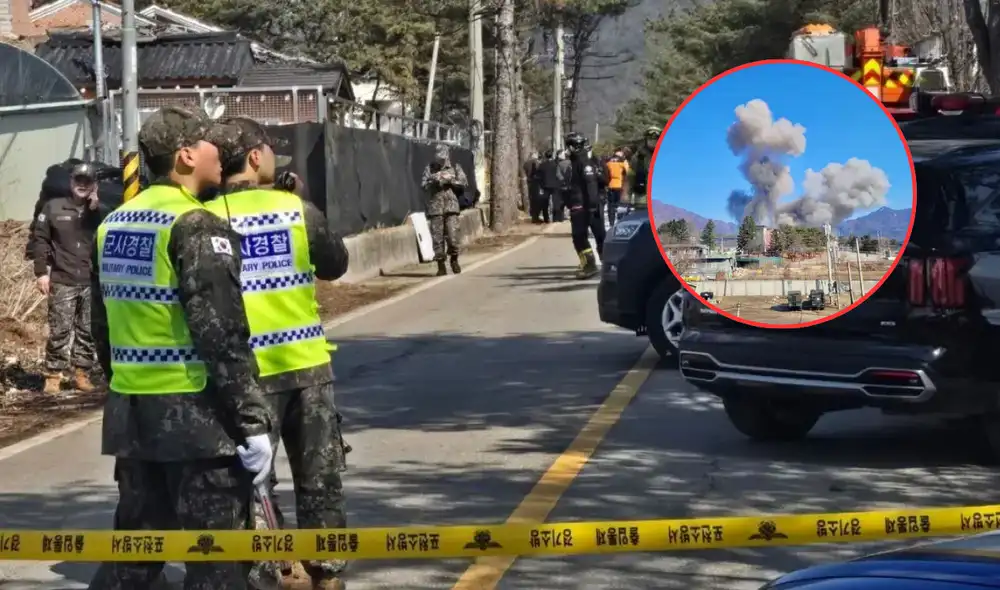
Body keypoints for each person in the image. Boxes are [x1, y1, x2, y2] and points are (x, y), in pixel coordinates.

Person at [87, 106, 274, 590]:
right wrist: (252, 422)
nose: (223, 153)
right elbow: (222, 336)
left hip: (132, 418)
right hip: (198, 423)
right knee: (215, 566)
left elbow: (102, 328)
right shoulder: (196, 226)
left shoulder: (113, 226)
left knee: (137, 559)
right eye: (212, 143)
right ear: (187, 156)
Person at [205, 116, 352, 590]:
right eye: (270, 150)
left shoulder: (202, 218)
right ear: (254, 157)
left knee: (251, 480)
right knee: (320, 475)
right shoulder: (295, 210)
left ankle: (270, 568)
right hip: (305, 365)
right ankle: (326, 571)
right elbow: (335, 264)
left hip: (243, 375)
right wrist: (301, 200)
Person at [31, 161, 111, 394]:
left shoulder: (99, 211)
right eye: (79, 180)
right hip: (63, 278)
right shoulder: (53, 207)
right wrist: (41, 273)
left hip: (90, 279)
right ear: (71, 182)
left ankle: (81, 373)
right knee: (60, 330)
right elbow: (41, 240)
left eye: (87, 182)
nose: (82, 186)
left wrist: (97, 209)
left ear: (94, 185)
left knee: (86, 330)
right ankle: (53, 375)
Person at [563, 132, 607, 279]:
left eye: (568, 146)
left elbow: (590, 185)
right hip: (578, 205)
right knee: (579, 237)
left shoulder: (584, 163)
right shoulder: (576, 162)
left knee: (584, 237)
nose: (566, 149)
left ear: (574, 146)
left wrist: (592, 206)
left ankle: (593, 265)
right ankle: (590, 263)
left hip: (584, 206)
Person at [421, 143, 468, 276]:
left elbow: (464, 183)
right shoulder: (430, 168)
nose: (440, 160)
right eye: (438, 157)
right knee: (437, 238)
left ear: (447, 155)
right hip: (436, 207)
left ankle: (454, 259)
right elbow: (423, 185)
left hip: (451, 207)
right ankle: (441, 265)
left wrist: (451, 181)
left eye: (442, 157)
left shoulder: (455, 167)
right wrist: (433, 179)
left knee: (453, 238)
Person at [627, 126, 661, 209]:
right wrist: (626, 198)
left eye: (655, 139)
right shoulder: (638, 157)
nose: (653, 142)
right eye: (650, 139)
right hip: (642, 200)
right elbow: (629, 179)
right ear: (646, 140)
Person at [604, 150, 630, 226]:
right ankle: (620, 221)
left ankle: (611, 222)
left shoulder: (608, 163)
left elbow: (606, 174)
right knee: (620, 205)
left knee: (611, 206)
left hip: (611, 186)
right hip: (620, 186)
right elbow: (627, 173)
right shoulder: (622, 163)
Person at [537, 150, 561, 223]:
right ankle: (556, 218)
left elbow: (539, 176)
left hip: (545, 185)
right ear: (552, 156)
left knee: (545, 202)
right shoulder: (556, 164)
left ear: (545, 156)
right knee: (556, 202)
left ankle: (546, 218)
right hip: (555, 185)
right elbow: (558, 174)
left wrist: (540, 185)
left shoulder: (542, 165)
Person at [523, 151, 544, 223]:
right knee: (537, 199)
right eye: (537, 154)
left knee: (531, 198)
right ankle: (536, 216)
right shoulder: (537, 163)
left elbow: (525, 170)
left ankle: (532, 215)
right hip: (536, 183)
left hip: (529, 182)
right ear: (534, 155)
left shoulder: (526, 163)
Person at [556, 150, 572, 222]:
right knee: (572, 201)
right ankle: (572, 216)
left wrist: (563, 180)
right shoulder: (572, 163)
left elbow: (558, 174)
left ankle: (561, 217)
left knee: (562, 202)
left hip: (562, 185)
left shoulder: (560, 164)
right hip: (571, 185)